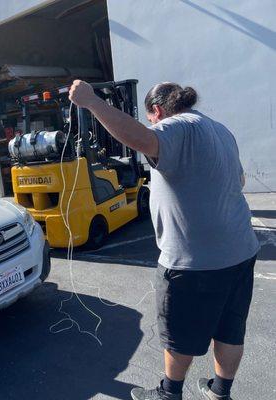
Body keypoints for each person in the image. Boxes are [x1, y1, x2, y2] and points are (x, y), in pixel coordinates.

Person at [69, 81, 259, 400]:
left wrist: (91, 102)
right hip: (241, 251)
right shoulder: (219, 129)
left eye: (150, 118)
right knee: (230, 327)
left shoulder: (174, 127)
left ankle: (169, 393)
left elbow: (142, 140)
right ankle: (220, 390)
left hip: (193, 263)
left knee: (179, 336)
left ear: (156, 111)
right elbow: (238, 180)